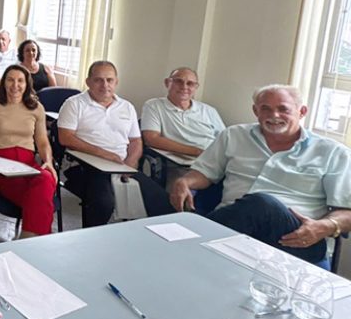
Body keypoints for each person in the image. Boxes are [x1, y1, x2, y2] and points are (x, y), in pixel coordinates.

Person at [170, 85, 351, 264]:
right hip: (233, 233)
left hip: (295, 240)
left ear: (302, 112)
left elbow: (347, 211)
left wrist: (326, 226)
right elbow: (205, 172)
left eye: (283, 109)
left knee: (261, 204)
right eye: (266, 108)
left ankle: (189, 244)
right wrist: (184, 181)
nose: (274, 116)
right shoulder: (233, 135)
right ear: (256, 111)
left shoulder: (333, 152)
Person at [58, 61, 170, 228]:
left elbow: (135, 140)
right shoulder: (74, 104)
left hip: (121, 165)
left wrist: (131, 162)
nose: (105, 85)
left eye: (109, 80)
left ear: (116, 82)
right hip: (84, 166)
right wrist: (104, 154)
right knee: (103, 203)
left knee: (161, 201)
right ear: (88, 82)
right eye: (98, 80)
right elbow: (66, 138)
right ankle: (92, 242)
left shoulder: (127, 107)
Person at [0, 65, 57, 237]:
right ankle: (34, 241)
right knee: (42, 198)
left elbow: (42, 141)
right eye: (10, 80)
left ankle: (28, 237)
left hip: (28, 164)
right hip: (1, 166)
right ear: (4, 83)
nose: (15, 85)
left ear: (27, 84)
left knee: (46, 177)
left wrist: (48, 161)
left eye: (20, 80)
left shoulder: (36, 108)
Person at [142, 67, 226, 159]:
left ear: (196, 87)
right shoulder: (154, 106)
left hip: (216, 161)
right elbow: (152, 139)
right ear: (167, 83)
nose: (184, 87)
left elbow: (225, 140)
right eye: (178, 81)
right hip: (183, 165)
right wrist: (197, 152)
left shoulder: (209, 110)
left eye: (190, 83)